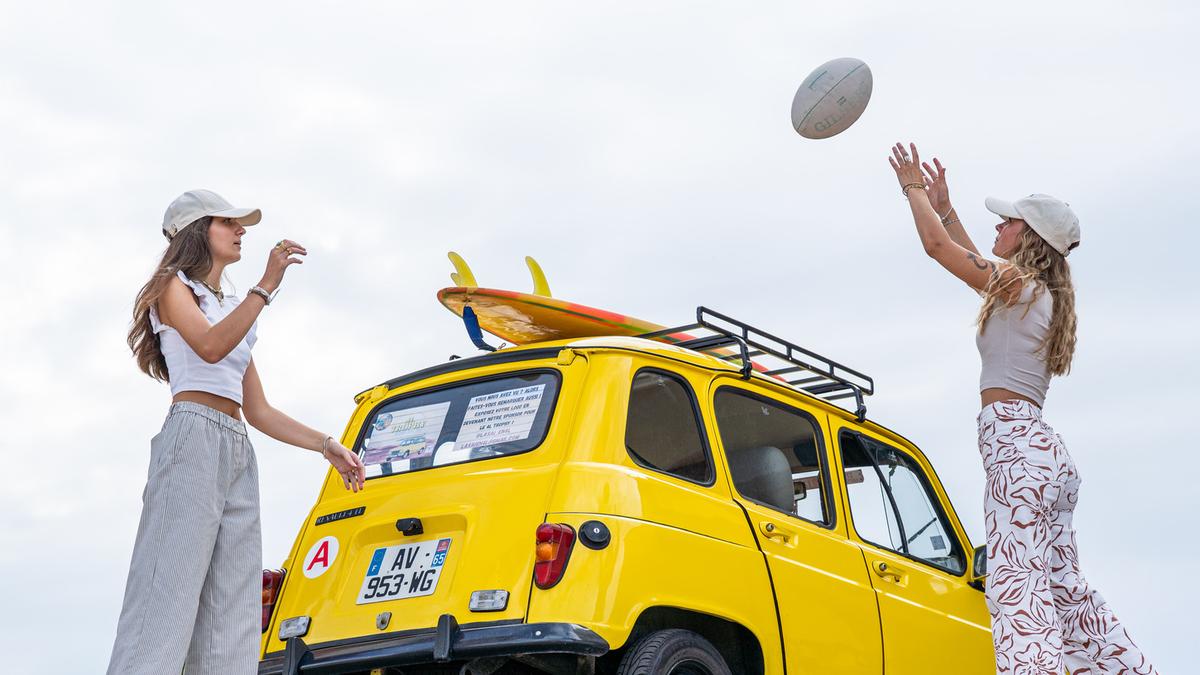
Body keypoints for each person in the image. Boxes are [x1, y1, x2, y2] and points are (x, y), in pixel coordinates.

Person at [888, 144, 1157, 674]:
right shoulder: (1037, 292)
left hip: (1016, 456)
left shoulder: (1017, 286)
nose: (997, 229)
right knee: (1066, 596)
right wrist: (946, 208)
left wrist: (911, 189)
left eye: (1005, 222)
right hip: (1045, 458)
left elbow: (939, 250)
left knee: (1020, 600)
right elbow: (968, 256)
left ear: (1027, 236)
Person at [107, 189, 368, 674]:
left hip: (236, 446)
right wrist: (266, 286)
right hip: (191, 437)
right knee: (166, 596)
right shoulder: (172, 287)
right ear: (196, 231)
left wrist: (326, 445)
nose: (241, 229)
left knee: (234, 610)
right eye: (228, 222)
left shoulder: (230, 305)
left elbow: (260, 410)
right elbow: (208, 346)